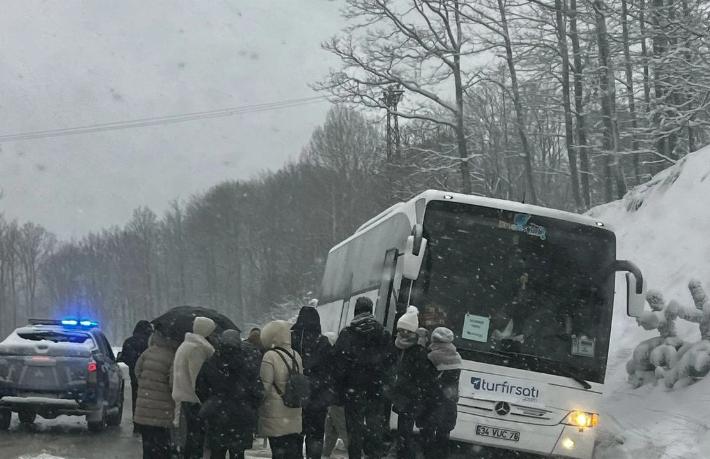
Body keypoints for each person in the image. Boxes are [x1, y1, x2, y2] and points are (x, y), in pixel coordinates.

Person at [333, 296, 395, 459]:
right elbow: (391, 364)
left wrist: (339, 388)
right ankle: (374, 455)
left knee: (354, 428)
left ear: (356, 311)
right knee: (375, 426)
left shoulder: (347, 333)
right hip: (376, 389)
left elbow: (338, 364)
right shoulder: (384, 334)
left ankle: (355, 455)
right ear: (371, 310)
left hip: (353, 389)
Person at [196, 329, 264, 459]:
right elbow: (258, 392)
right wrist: (249, 406)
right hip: (241, 416)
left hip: (216, 415)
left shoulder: (211, 363)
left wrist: (211, 401)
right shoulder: (248, 364)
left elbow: (200, 388)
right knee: (238, 453)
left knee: (216, 452)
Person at [291, 306, 334, 459]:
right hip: (318, 398)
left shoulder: (292, 339)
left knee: (295, 434)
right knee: (315, 435)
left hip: (296, 397)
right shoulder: (323, 342)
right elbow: (331, 371)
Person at [172, 317, 217, 459]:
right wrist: (204, 399)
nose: (214, 335)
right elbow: (197, 378)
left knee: (189, 439)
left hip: (185, 397)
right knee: (195, 439)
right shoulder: (197, 349)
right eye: (212, 331)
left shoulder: (186, 345)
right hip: (194, 400)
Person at [258, 320, 304, 459]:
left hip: (275, 412)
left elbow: (264, 387)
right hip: (294, 408)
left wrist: (258, 404)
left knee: (278, 451)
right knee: (292, 451)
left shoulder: (269, 356)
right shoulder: (296, 355)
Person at [390, 306, 431, 459]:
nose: (402, 333)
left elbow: (421, 376)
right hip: (401, 395)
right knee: (403, 430)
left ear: (412, 332)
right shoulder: (397, 346)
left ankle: (404, 454)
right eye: (400, 330)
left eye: (405, 330)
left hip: (410, 396)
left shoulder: (418, 351)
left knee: (405, 431)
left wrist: (408, 387)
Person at [134, 328, 179, 459]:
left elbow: (137, 372)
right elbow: (172, 382)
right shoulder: (172, 356)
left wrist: (146, 386)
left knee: (148, 445)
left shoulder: (147, 353)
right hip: (162, 411)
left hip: (144, 408)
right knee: (162, 446)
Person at [418, 327, 462, 459]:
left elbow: (424, 380)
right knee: (443, 441)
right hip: (448, 406)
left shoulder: (431, 357)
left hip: (431, 405)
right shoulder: (456, 357)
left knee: (427, 441)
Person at [119, 320, 153, 433]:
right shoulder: (151, 342)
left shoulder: (129, 342)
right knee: (150, 400)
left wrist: (133, 363)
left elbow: (124, 357)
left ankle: (137, 424)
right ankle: (148, 424)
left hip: (135, 377)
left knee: (137, 400)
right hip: (150, 377)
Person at [322, 332, 348, 458]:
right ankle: (325, 454)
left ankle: (325, 454)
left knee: (339, 430)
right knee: (333, 429)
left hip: (336, 399)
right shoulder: (341, 357)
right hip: (338, 399)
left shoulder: (332, 358)